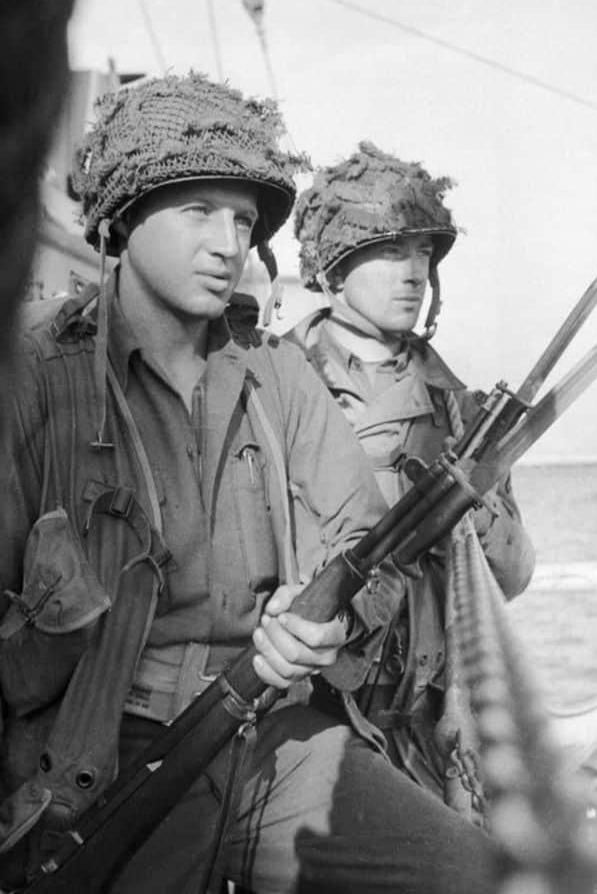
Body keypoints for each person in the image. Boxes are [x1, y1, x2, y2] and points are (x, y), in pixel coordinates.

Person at [0, 77, 499, 893]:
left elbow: (367, 553)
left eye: (242, 219)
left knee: (477, 873)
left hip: (269, 736)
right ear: (124, 216)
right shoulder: (33, 375)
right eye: (198, 209)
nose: (228, 241)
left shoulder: (276, 374)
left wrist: (321, 617)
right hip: (91, 763)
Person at [287, 141, 536, 819]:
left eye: (425, 253)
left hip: (429, 731)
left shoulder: (458, 408)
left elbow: (511, 578)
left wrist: (471, 500)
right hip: (307, 722)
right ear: (334, 266)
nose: (414, 273)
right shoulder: (274, 386)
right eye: (392, 250)